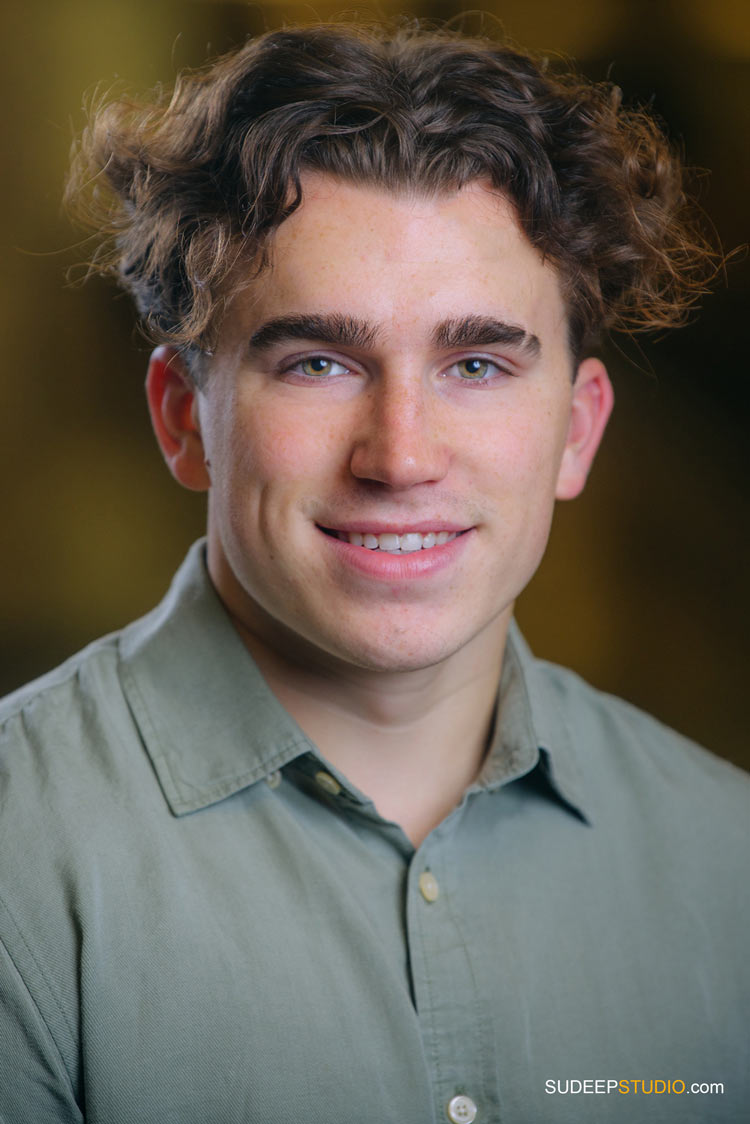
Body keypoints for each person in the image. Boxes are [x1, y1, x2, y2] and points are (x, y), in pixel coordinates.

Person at [1, 21, 747, 1124]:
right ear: (182, 418)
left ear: (578, 432)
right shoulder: (21, 855)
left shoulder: (725, 859)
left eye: (478, 362)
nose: (400, 454)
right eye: (318, 361)